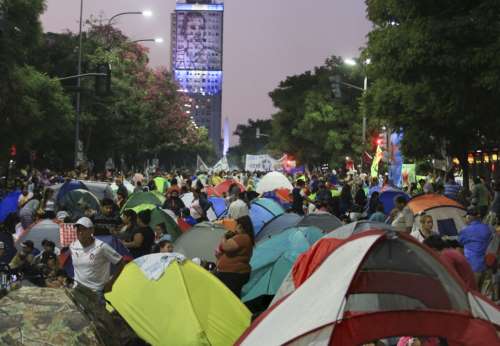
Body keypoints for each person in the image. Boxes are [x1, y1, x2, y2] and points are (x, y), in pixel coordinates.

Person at [70, 217, 124, 297]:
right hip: (78, 290)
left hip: (96, 292)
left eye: (84, 229)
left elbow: (121, 262)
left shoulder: (101, 247)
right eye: (78, 230)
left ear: (92, 230)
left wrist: (111, 283)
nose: (80, 232)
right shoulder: (73, 246)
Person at [215, 215, 254, 297]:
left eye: (236, 224)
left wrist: (224, 236)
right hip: (232, 274)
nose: (234, 227)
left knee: (229, 297)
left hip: (232, 274)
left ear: (240, 226)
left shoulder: (242, 237)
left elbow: (226, 247)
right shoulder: (243, 237)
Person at [459, 206, 493, 283]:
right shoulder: (487, 228)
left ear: (469, 217)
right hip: (485, 265)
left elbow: (460, 242)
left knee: (473, 291)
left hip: (471, 266)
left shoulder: (465, 230)